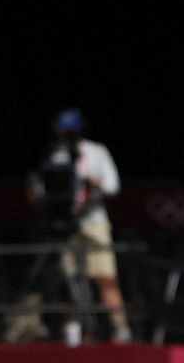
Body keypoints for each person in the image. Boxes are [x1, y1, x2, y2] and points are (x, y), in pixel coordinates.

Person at [47, 109, 130, 343]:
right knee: (72, 280)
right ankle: (74, 335)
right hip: (68, 224)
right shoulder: (57, 156)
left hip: (95, 223)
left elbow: (114, 185)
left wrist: (95, 184)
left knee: (106, 277)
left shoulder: (97, 152)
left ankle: (121, 330)